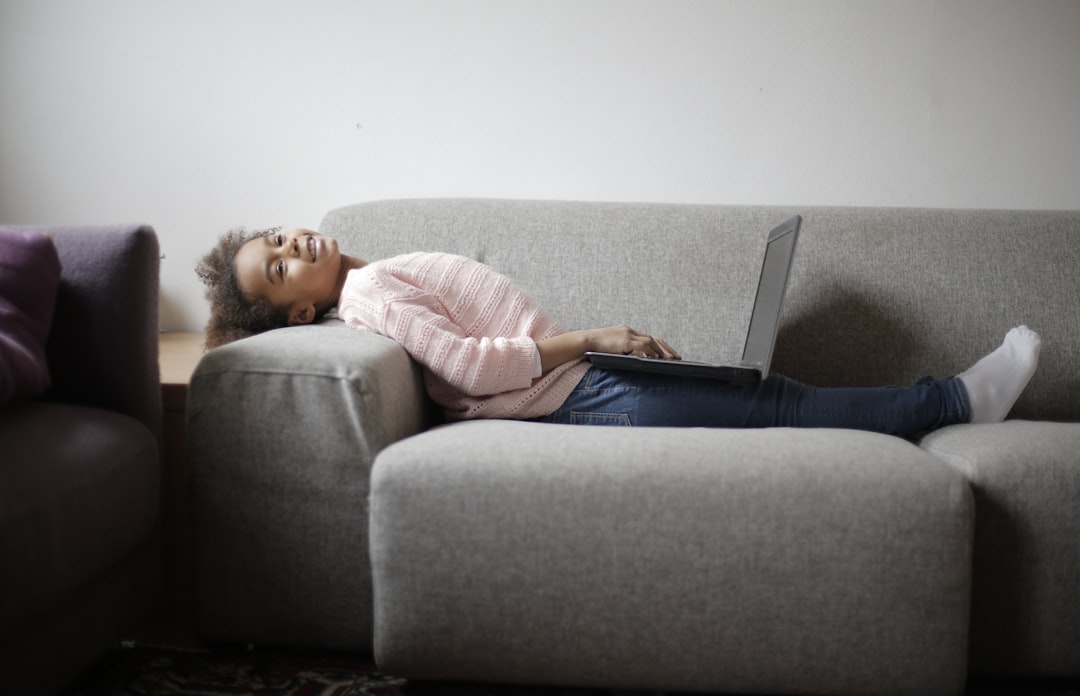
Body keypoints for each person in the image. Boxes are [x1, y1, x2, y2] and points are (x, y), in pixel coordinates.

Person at [196, 226, 1042, 437]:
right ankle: (953, 402)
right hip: (580, 392)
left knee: (772, 397)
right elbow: (471, 369)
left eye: (279, 237)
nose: (292, 245)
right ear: (299, 311)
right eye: (278, 269)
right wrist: (598, 338)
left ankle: (950, 400)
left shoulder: (368, 281)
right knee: (777, 405)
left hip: (580, 384)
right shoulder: (370, 295)